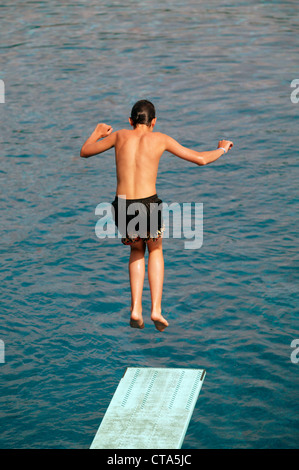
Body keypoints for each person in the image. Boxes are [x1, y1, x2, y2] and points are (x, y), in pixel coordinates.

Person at [80, 100, 233, 332]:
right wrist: (222, 148)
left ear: (130, 121)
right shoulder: (160, 138)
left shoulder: (119, 136)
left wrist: (97, 132)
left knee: (136, 250)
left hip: (122, 205)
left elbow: (85, 151)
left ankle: (135, 309)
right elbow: (200, 159)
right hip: (147, 203)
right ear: (154, 122)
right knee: (156, 249)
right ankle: (156, 310)